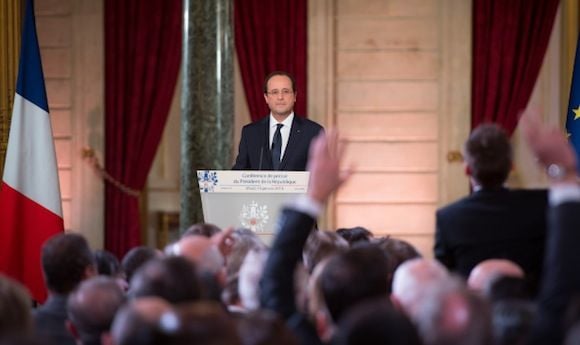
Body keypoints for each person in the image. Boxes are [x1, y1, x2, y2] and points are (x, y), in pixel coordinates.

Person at [434, 123, 547, 294]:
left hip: (472, 317)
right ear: (511, 166)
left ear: (468, 169)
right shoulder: (542, 204)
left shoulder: (448, 218)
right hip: (533, 314)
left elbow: (444, 284)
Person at [232, 71, 323, 171]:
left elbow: (322, 173)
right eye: (274, 92)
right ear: (266, 98)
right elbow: (239, 172)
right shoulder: (250, 133)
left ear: (295, 96)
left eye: (286, 91)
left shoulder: (313, 132)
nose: (280, 97)